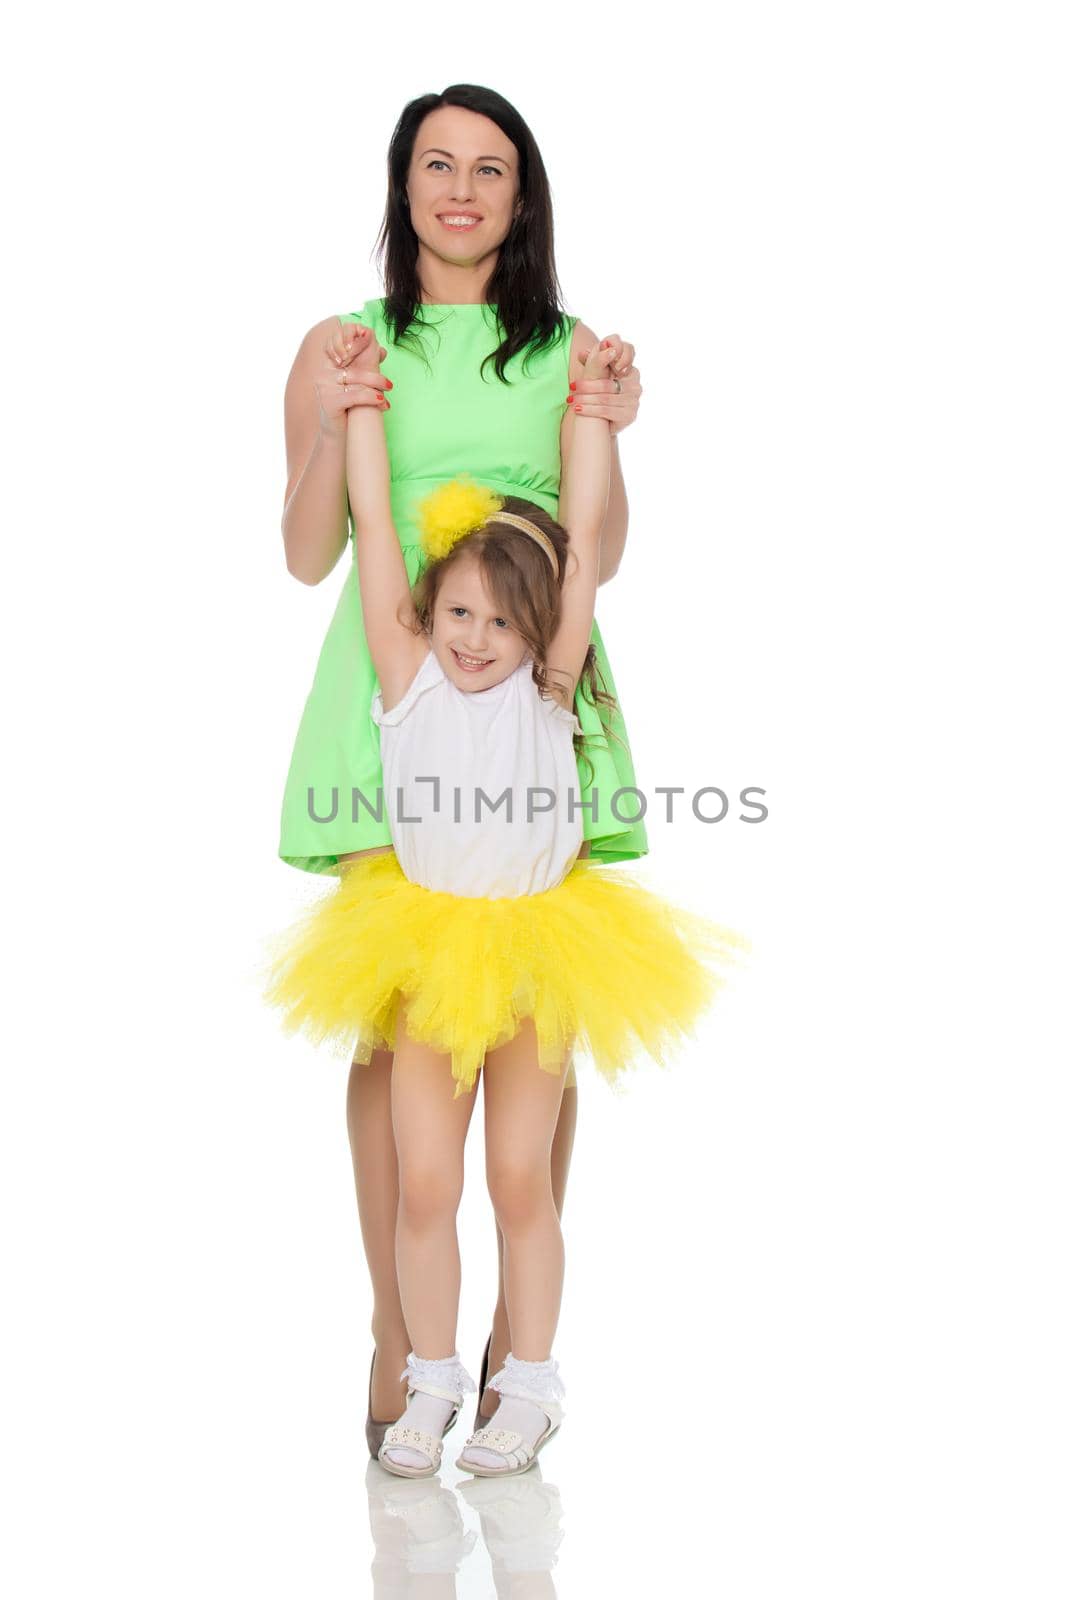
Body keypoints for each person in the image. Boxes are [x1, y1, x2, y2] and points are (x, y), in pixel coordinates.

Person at [263, 326, 746, 1478]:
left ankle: (524, 1380)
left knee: (518, 1175)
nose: (475, 638)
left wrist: (588, 407)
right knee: (424, 1179)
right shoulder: (404, 673)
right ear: (427, 615)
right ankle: (429, 1375)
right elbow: (374, 529)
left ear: (541, 633)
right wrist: (362, 410)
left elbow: (578, 550)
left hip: (539, 952)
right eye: (459, 614)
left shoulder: (551, 682)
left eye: (499, 619)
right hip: (431, 948)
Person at [276, 84, 650, 1449]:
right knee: (400, 1028)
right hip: (394, 690)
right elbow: (313, 549)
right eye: (435, 164)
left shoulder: (562, 348)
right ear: (402, 183)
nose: (460, 189)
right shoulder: (346, 342)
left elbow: (595, 553)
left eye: (489, 169)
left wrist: (609, 415)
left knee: (532, 995)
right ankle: (405, 1326)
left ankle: (514, 1347)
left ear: (520, 195)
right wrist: (333, 414)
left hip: (531, 683)